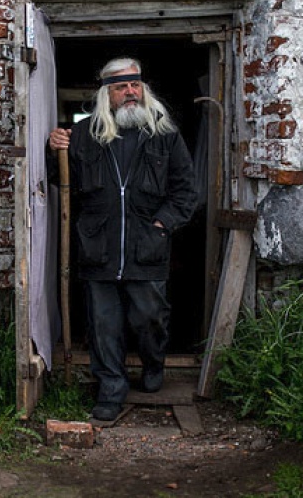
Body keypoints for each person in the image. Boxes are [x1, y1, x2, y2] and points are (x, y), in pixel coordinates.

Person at [48, 57, 197, 422]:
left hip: (147, 247)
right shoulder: (83, 137)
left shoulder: (165, 135)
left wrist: (162, 224)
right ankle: (110, 391)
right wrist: (55, 152)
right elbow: (61, 182)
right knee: (103, 326)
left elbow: (185, 191)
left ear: (143, 90)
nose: (130, 92)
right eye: (120, 87)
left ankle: (153, 362)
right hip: (98, 248)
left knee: (150, 318)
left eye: (135, 85)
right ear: (106, 95)